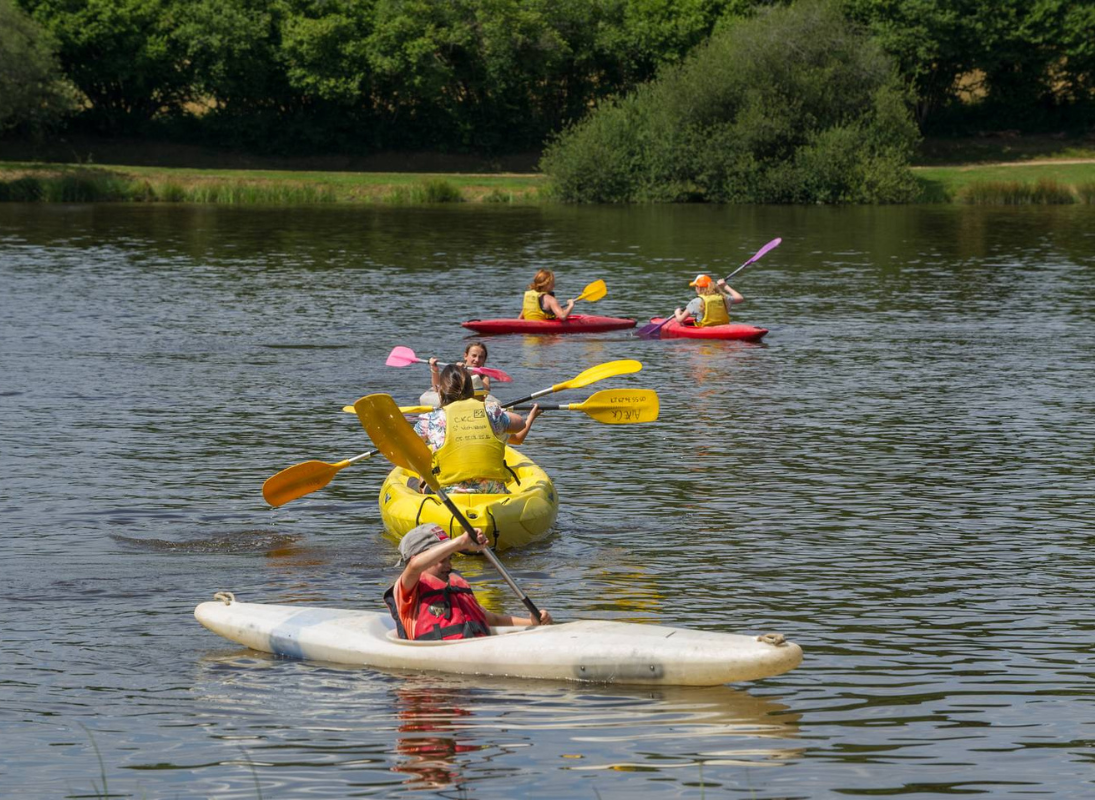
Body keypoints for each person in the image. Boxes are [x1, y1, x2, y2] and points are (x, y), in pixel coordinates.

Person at [383, 523, 553, 641]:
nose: (449, 565)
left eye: (450, 559)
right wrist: (460, 543)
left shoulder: (456, 587)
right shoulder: (408, 591)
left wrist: (532, 623)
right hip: (433, 679)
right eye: (442, 559)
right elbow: (414, 566)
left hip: (473, 656)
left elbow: (493, 619)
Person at [415, 364, 540, 494]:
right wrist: (499, 412)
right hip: (493, 493)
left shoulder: (431, 418)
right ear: (472, 391)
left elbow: (407, 442)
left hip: (449, 497)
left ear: (441, 392)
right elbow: (520, 423)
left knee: (420, 473)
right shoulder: (492, 411)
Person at [673, 273, 743, 327]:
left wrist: (677, 312)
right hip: (722, 328)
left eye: (695, 286)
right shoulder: (723, 297)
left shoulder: (696, 301)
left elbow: (680, 320)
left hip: (703, 331)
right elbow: (740, 298)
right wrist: (725, 286)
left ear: (698, 287)